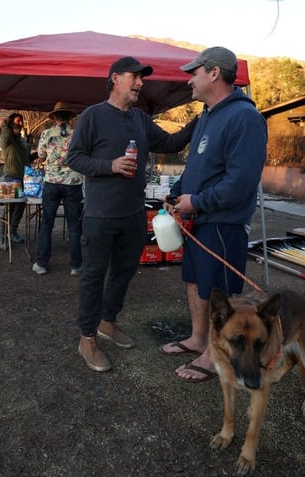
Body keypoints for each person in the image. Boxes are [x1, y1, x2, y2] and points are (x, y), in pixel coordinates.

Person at [66, 56, 198, 372]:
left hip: (133, 213)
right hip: (100, 214)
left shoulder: (139, 119)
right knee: (93, 276)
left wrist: (201, 120)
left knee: (125, 272)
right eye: (134, 77)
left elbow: (169, 142)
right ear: (115, 79)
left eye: (142, 79)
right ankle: (87, 337)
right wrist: (108, 166)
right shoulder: (92, 116)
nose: (140, 83)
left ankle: (108, 322)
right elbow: (74, 158)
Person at [157, 47, 268, 382]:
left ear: (215, 73)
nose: (190, 79)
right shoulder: (208, 115)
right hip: (199, 218)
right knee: (194, 281)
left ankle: (213, 357)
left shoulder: (245, 118)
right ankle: (198, 338)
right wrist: (177, 192)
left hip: (223, 223)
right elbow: (199, 167)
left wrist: (199, 202)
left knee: (219, 293)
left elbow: (241, 182)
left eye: (195, 72)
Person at [32, 101, 84, 276]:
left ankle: (41, 264)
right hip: (73, 182)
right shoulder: (77, 134)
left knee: (47, 224)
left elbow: (41, 155)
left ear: (54, 117)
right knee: (74, 226)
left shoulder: (47, 134)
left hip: (52, 183)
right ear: (70, 117)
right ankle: (76, 266)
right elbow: (83, 154)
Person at [0, 112, 31, 250]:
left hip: (23, 178)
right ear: (12, 123)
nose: (21, 124)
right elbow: (5, 136)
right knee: (9, 208)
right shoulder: (7, 137)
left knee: (20, 207)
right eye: (18, 121)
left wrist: (38, 155)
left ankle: (13, 232)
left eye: (22, 121)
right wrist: (5, 125)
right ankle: (3, 236)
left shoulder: (21, 140)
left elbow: (26, 158)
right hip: (10, 178)